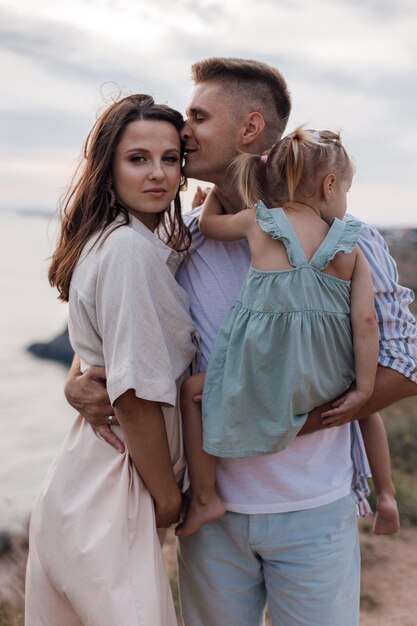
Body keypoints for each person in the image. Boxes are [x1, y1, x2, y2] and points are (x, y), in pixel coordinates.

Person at [64, 58, 417, 626]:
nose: (184, 130)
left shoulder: (348, 240)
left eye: (199, 117)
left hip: (313, 509)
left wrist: (269, 418)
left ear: (249, 129)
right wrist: (74, 381)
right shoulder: (182, 246)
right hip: (214, 518)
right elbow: (123, 340)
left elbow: (404, 365)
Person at [177, 127, 399, 539]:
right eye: (346, 189)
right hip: (328, 378)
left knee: (193, 392)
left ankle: (206, 498)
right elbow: (365, 322)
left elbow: (208, 228)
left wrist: (207, 202)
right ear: (329, 185)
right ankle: (384, 494)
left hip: (265, 375)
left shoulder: (258, 222)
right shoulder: (351, 244)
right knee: (365, 414)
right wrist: (363, 388)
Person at [25, 94, 197, 626]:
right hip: (114, 491)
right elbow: (133, 395)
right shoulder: (126, 252)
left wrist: (72, 380)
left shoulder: (119, 242)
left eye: (171, 159)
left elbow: (98, 348)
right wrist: (168, 500)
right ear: (108, 168)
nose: (158, 174)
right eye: (137, 158)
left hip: (83, 488)